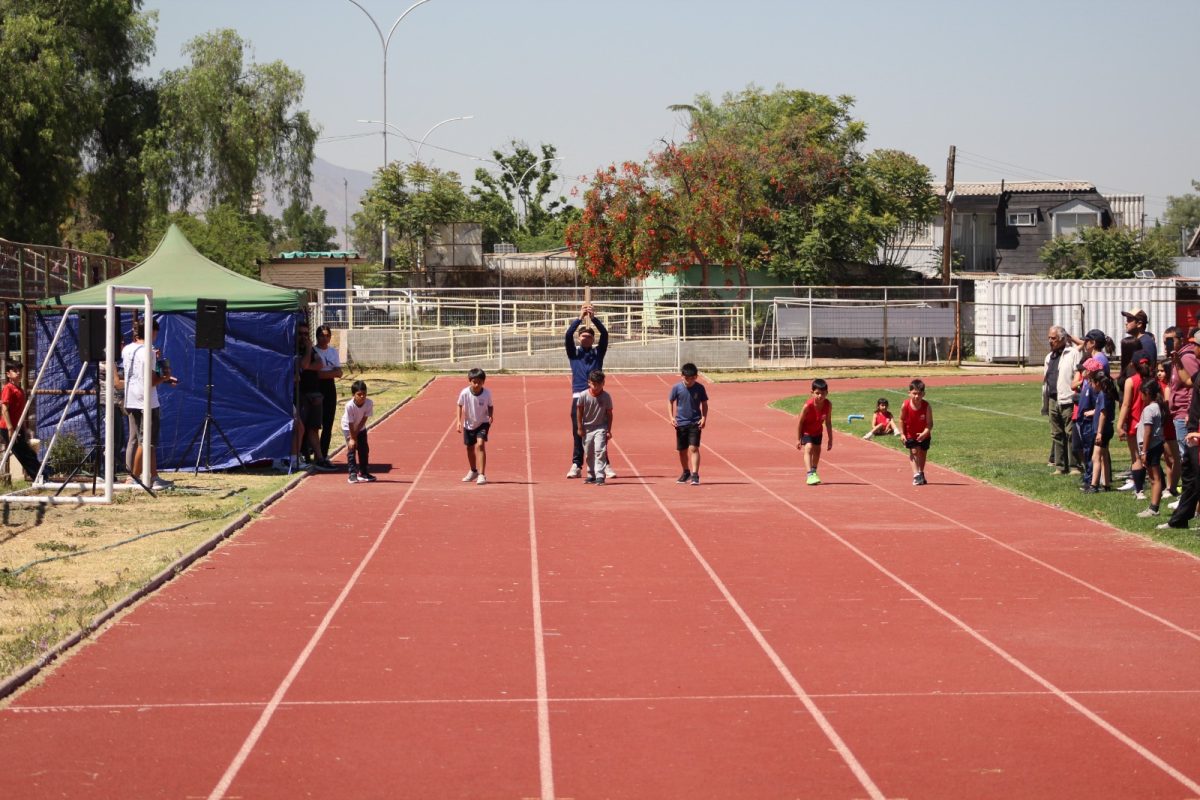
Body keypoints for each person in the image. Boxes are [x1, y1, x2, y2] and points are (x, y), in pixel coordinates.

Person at [120, 318, 178, 490]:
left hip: (130, 398)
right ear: (152, 331)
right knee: (146, 442)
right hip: (147, 401)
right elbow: (151, 381)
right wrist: (165, 377)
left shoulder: (127, 350)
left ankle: (153, 477)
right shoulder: (150, 351)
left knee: (142, 440)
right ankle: (133, 479)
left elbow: (137, 375)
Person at [565, 304, 611, 479]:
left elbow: (605, 335)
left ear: (593, 339)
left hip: (597, 397)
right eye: (582, 335)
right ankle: (577, 464)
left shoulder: (598, 354)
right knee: (579, 431)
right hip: (579, 397)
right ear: (579, 338)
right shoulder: (573, 353)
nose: (585, 338)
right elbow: (568, 335)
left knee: (600, 431)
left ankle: (605, 464)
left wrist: (594, 319)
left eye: (589, 336)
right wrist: (579, 318)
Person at [1043, 325, 1082, 475]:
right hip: (1053, 398)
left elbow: (1077, 373)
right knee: (1056, 433)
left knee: (1070, 433)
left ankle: (1074, 465)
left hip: (1068, 399)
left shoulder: (1072, 353)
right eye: (1049, 338)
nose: (1050, 341)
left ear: (1062, 339)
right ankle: (1060, 466)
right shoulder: (1049, 357)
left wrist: (1074, 394)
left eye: (1053, 338)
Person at [1168, 326, 1200, 506]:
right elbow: (1188, 381)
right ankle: (1189, 506)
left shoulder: (1189, 358)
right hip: (1192, 423)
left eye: (1196, 345)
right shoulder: (1188, 364)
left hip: (1192, 422)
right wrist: (1178, 363)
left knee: (1190, 462)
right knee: (1189, 463)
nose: (1193, 349)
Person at [296, 325, 334, 472]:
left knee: (314, 427)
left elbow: (320, 364)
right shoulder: (298, 349)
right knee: (301, 427)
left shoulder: (311, 349)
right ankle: (300, 456)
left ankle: (320, 458)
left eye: (306, 333)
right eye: (300, 334)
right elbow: (304, 363)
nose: (304, 337)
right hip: (302, 393)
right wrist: (307, 352)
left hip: (315, 392)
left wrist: (307, 365)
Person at [1117, 354, 1154, 499]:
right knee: (1153, 458)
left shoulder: (1131, 381)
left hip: (1135, 423)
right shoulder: (1152, 380)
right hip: (1151, 423)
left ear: (1133, 365)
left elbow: (1126, 404)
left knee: (1136, 458)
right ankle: (1161, 486)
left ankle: (1139, 491)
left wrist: (1120, 425)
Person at [668, 362, 708, 485]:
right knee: (682, 450)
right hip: (680, 423)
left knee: (693, 448)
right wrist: (671, 417)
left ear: (696, 377)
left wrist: (704, 418)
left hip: (695, 422)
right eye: (686, 378)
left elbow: (705, 404)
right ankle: (686, 472)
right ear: (682, 376)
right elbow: (670, 401)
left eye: (692, 378)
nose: (689, 381)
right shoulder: (676, 388)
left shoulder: (700, 388)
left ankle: (695, 475)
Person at [1, 361, 41, 482]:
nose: (18, 373)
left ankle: (40, 476)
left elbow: (20, 412)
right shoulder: (8, 388)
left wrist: (24, 428)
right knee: (24, 453)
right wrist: (10, 428)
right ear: (8, 374)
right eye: (15, 371)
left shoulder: (20, 389)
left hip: (18, 427)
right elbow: (4, 409)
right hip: (8, 427)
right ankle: (39, 476)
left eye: (20, 370)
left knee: (28, 452)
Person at [1083, 365, 1119, 493]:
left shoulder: (1103, 395)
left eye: (1092, 382)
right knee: (1103, 456)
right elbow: (1101, 410)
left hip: (1103, 430)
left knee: (1095, 457)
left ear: (1098, 383)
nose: (1091, 385)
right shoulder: (1107, 394)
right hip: (1108, 429)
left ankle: (1094, 485)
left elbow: (1103, 414)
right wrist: (1092, 412)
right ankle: (1107, 484)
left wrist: (1099, 432)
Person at [575, 368, 613, 485]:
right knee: (589, 452)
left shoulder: (606, 397)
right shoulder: (583, 395)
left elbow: (609, 414)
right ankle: (591, 474)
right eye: (593, 384)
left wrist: (608, 430)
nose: (595, 387)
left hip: (600, 427)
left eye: (598, 385)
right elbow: (579, 411)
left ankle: (600, 475)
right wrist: (580, 427)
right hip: (587, 428)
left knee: (600, 451)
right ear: (589, 383)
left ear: (603, 384)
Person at [456, 367, 493, 485]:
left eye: (479, 382)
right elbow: (459, 405)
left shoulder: (487, 393)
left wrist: (491, 415)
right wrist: (458, 421)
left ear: (483, 382)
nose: (477, 384)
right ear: (469, 381)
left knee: (480, 444)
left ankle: (482, 475)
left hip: (483, 422)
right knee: (469, 448)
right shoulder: (464, 393)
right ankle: (473, 471)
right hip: (469, 423)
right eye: (474, 382)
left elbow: (490, 406)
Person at [1136, 380, 1168, 517]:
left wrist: (1144, 451)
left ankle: (1154, 508)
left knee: (1155, 479)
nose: (1141, 397)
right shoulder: (1158, 407)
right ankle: (1153, 506)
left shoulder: (1149, 409)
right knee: (1155, 477)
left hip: (1151, 447)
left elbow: (1148, 431)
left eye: (1141, 394)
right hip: (1155, 445)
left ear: (1147, 393)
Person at [313, 324, 344, 462]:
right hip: (316, 387)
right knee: (314, 423)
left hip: (330, 388)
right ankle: (311, 453)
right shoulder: (313, 351)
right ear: (317, 336)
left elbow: (339, 372)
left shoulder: (333, 352)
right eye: (321, 335)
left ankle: (324, 454)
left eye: (327, 336)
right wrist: (330, 373)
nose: (324, 338)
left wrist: (327, 373)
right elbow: (316, 375)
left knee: (328, 422)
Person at [795, 378, 832, 486]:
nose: (820, 396)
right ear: (812, 393)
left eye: (823, 393)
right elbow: (799, 422)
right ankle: (809, 474)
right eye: (817, 393)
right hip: (806, 431)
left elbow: (828, 422)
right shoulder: (808, 406)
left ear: (827, 393)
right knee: (809, 447)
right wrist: (798, 439)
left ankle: (814, 471)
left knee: (817, 451)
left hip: (818, 431)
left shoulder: (828, 405)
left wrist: (830, 439)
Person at [901, 378, 933, 486]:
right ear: (909, 393)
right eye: (914, 393)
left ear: (923, 394)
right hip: (910, 433)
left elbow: (930, 424)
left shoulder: (926, 406)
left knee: (923, 453)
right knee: (914, 451)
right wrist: (902, 434)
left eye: (919, 394)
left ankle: (921, 472)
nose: (917, 396)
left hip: (924, 434)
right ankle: (916, 475)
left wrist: (925, 433)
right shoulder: (905, 405)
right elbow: (902, 419)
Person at [342, 379, 375, 484]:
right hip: (348, 427)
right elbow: (350, 423)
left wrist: (357, 432)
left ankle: (364, 472)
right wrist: (352, 438)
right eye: (359, 394)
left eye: (364, 394)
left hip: (360, 427)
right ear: (353, 395)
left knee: (364, 449)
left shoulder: (369, 403)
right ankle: (352, 474)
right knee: (352, 448)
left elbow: (364, 419)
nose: (362, 397)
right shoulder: (349, 406)